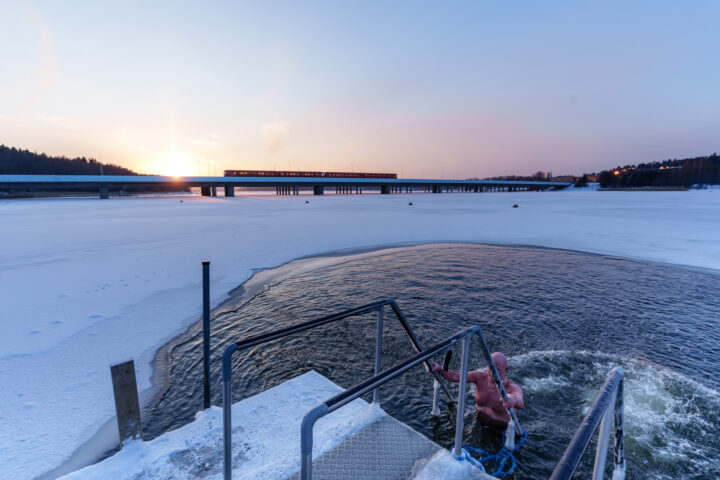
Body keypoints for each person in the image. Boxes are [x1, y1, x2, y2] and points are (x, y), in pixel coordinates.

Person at [432, 352, 524, 429]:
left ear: (506, 370)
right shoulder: (480, 377)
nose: (492, 372)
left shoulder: (511, 387)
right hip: (479, 420)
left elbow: (520, 402)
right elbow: (455, 376)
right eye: (490, 367)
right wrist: (439, 369)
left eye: (497, 370)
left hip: (501, 428)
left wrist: (514, 400)